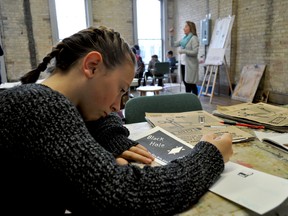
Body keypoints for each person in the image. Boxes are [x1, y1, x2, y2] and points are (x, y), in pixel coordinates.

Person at [0, 26, 233, 215]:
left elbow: (97, 118)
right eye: (121, 89)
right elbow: (128, 195)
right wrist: (210, 155)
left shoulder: (35, 98)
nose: (119, 105)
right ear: (92, 66)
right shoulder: (41, 107)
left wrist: (112, 137)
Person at [170, 21, 199, 95]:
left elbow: (195, 52)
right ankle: (188, 101)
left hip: (190, 65)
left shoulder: (194, 38)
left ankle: (195, 100)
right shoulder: (184, 39)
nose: (184, 28)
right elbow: (173, 44)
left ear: (190, 28)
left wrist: (184, 51)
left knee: (191, 84)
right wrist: (171, 35)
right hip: (183, 64)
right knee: (186, 83)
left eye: (186, 26)